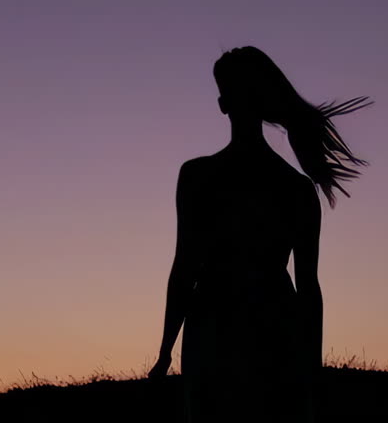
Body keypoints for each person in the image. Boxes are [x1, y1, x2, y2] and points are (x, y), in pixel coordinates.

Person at [147, 47, 371, 422]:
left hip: (215, 327)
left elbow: (185, 267)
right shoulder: (297, 188)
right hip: (274, 328)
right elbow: (309, 289)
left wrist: (165, 350)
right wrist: (311, 371)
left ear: (223, 104)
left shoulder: (198, 176)